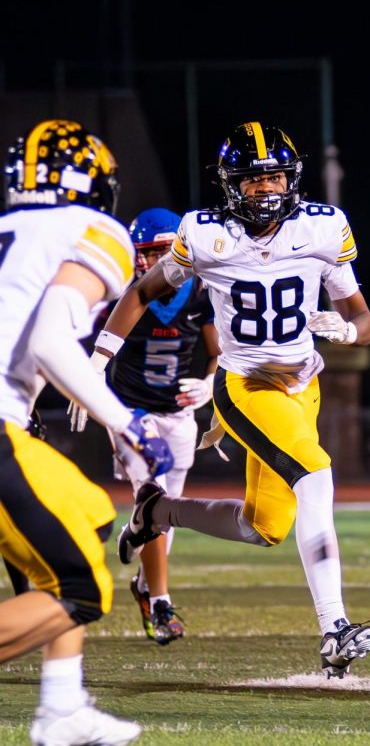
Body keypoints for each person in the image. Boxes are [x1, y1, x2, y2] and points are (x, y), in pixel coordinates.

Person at [107, 121, 370, 678]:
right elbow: (142, 291)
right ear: (232, 185)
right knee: (316, 473)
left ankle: (158, 510)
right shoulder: (204, 234)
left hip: (304, 385)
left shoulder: (324, 228)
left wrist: (349, 332)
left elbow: (363, 318)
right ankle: (335, 628)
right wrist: (95, 362)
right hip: (246, 385)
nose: (267, 189)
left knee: (264, 527)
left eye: (275, 176)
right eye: (253, 181)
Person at [0, 118, 174, 745]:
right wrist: (125, 422)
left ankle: (62, 707)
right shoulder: (91, 229)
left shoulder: (8, 229)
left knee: (90, 514)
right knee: (80, 588)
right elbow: (49, 339)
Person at [68, 207, 219, 646]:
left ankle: (142, 579)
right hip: (130, 412)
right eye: (145, 254)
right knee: (151, 495)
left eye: (162, 253)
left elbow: (217, 352)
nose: (153, 264)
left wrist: (211, 383)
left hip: (178, 413)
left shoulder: (198, 292)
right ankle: (160, 602)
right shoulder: (122, 292)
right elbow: (72, 340)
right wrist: (85, 379)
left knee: (164, 513)